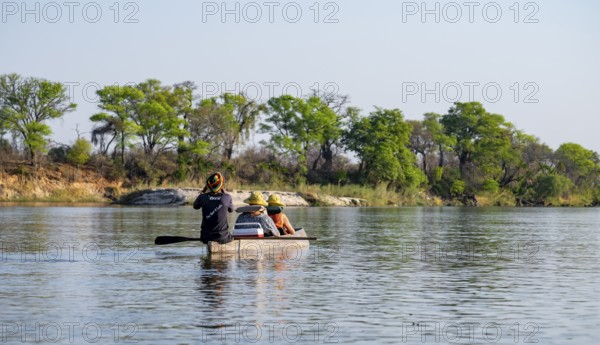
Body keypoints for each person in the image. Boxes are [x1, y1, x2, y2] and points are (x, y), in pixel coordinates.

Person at [193, 172, 234, 244]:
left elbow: (195, 206)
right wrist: (222, 189)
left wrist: (204, 190)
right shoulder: (226, 197)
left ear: (208, 185)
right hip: (222, 238)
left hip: (205, 237)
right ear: (221, 186)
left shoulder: (202, 197)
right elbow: (231, 210)